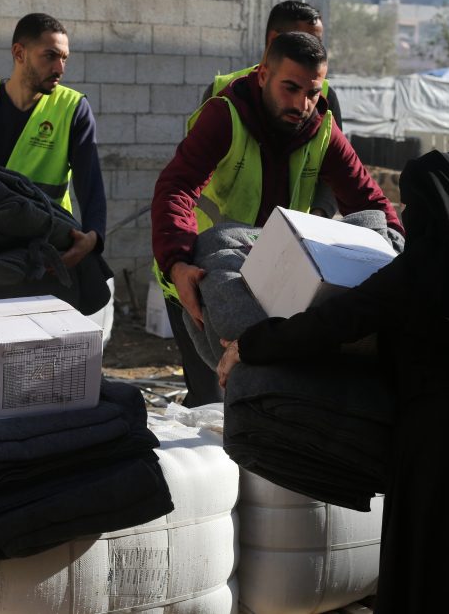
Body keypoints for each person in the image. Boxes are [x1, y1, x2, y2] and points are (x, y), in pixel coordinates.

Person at [216, 151, 449, 613]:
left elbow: (334, 322)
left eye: (415, 204)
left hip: (435, 441)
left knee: (428, 573)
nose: (411, 217)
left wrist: (250, 345)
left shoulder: (420, 271)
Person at [152, 32, 403, 407]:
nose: (302, 104)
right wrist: (177, 263)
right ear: (264, 74)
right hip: (200, 275)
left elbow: (371, 201)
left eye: (313, 93)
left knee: (264, 398)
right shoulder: (224, 116)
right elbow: (176, 188)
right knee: (213, 397)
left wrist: (397, 253)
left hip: (277, 281)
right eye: (291, 88)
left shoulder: (321, 131)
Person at [0, 12, 106, 268]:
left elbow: (91, 185)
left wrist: (93, 237)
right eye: (50, 56)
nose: (59, 69)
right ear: (19, 54)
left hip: (42, 252)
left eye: (64, 59)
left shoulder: (72, 108)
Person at [203, 0, 343, 219]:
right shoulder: (223, 94)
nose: (302, 104)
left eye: (319, 43)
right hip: (220, 242)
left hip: (289, 242)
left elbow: (341, 174)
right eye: (290, 89)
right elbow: (185, 178)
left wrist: (316, 220)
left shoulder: (325, 100)